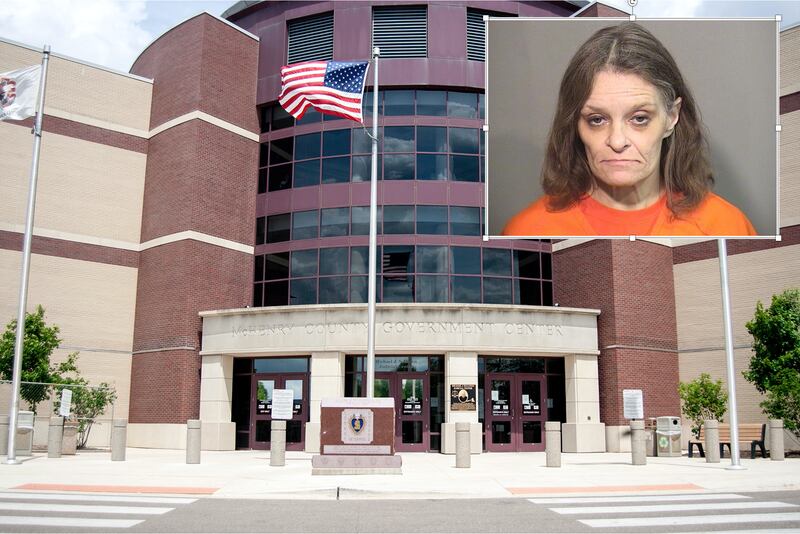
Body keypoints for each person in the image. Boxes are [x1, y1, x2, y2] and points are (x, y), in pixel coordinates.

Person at [502, 22, 756, 237]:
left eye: (639, 118)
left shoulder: (725, 224)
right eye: (597, 120)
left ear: (671, 117)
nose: (617, 140)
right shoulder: (527, 227)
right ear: (574, 124)